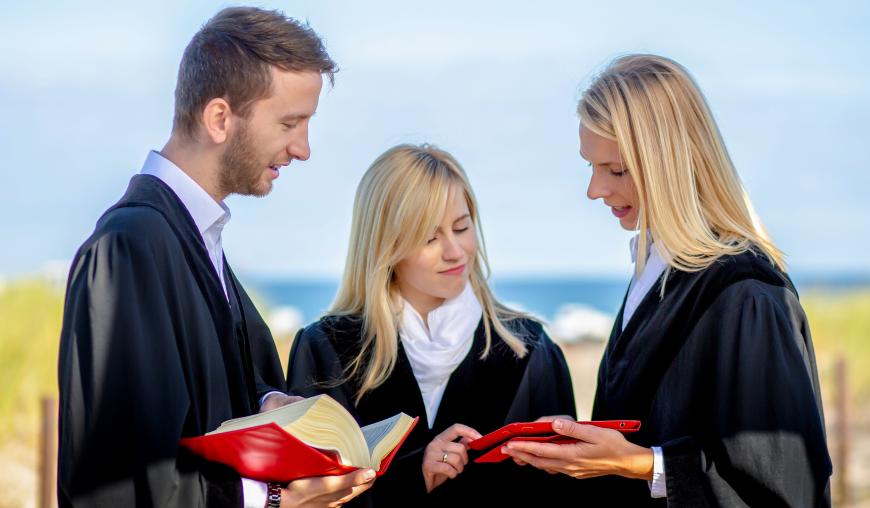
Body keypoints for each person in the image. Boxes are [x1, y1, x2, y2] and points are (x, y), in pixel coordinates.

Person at [57, 7, 375, 507]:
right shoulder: (128, 248)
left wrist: (272, 405)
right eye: (290, 123)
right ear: (220, 118)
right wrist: (271, 500)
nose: (304, 149)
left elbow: (201, 405)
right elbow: (118, 481)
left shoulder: (197, 242)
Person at [502, 54, 833, 506]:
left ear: (670, 163)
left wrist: (641, 464)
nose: (594, 191)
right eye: (591, 167)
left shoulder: (748, 294)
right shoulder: (654, 270)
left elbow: (786, 486)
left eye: (615, 170)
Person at [286, 144, 577, 507]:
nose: (455, 251)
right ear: (386, 246)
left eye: (462, 227)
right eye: (430, 237)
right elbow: (305, 497)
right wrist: (413, 475)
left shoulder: (530, 349)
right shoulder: (327, 348)